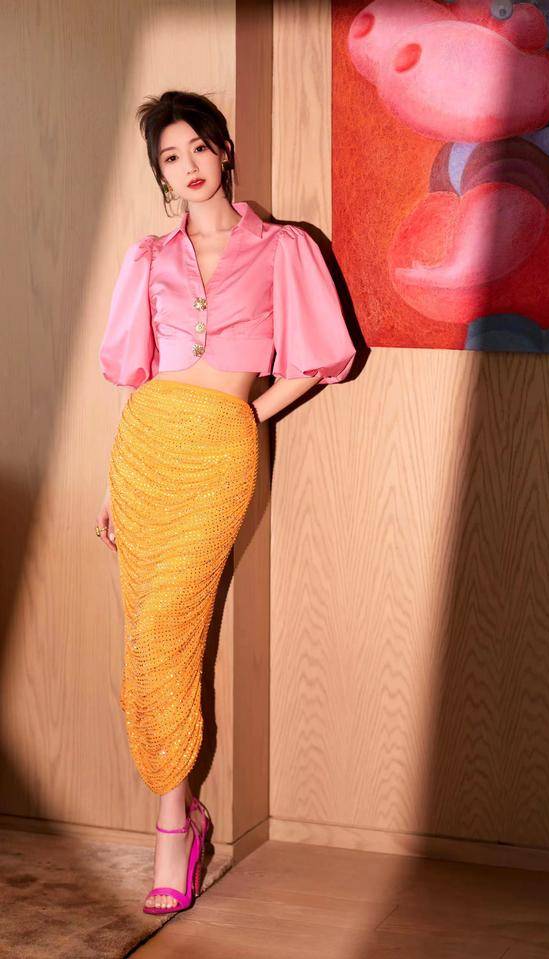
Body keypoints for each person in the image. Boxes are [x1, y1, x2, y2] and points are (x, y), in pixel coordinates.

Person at [94, 90, 356, 916]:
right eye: (172, 158)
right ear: (161, 174)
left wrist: (246, 415)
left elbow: (320, 359)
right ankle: (177, 818)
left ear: (225, 150)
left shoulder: (283, 248)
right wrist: (111, 483)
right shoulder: (148, 257)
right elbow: (134, 374)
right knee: (148, 636)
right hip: (147, 447)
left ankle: (175, 827)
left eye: (200, 148)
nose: (190, 166)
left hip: (219, 450)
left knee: (171, 624)